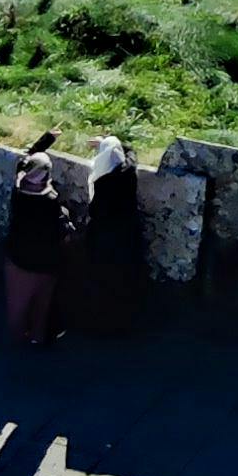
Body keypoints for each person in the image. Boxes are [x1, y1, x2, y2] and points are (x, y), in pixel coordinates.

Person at [69, 137, 147, 341]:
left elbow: (96, 210)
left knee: (102, 281)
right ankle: (123, 326)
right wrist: (114, 142)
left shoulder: (103, 181)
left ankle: (101, 326)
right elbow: (131, 156)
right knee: (124, 280)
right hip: (128, 235)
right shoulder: (129, 172)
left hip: (105, 238)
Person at [1, 146, 77, 347]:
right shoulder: (49, 201)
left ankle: (16, 340)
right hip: (45, 262)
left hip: (18, 259)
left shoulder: (18, 191)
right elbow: (62, 231)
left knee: (17, 305)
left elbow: (24, 161)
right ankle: (37, 337)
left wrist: (46, 140)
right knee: (42, 304)